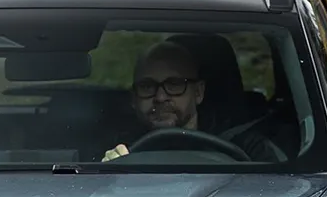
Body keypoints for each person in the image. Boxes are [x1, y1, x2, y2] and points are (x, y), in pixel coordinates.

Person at [102, 40, 287, 163]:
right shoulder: (114, 145)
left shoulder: (248, 147)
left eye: (174, 84)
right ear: (134, 98)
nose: (160, 97)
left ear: (198, 92)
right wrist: (109, 172)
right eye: (147, 86)